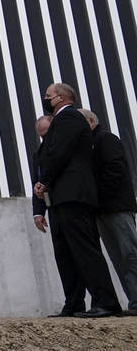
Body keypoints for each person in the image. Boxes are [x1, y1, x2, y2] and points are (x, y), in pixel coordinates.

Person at [33, 83, 122, 318]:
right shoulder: (62, 121)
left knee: (85, 250)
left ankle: (106, 302)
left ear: (60, 98)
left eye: (48, 96)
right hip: (61, 197)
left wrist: (44, 182)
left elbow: (59, 153)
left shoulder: (69, 118)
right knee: (66, 252)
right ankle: (74, 303)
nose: (45, 99)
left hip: (74, 194)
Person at [79, 108, 137, 315]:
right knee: (117, 257)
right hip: (102, 210)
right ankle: (134, 300)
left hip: (117, 207)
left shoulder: (105, 139)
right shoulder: (88, 146)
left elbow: (115, 170)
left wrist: (99, 197)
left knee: (129, 253)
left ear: (91, 121)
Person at [33, 115, 51, 233]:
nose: (45, 139)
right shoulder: (38, 155)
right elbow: (36, 182)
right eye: (42, 136)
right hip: (51, 203)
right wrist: (38, 212)